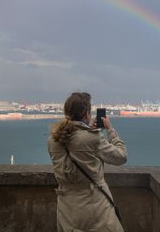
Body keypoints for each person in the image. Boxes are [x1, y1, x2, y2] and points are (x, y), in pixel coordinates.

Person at [48, 92, 127, 232]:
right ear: (87, 114)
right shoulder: (93, 138)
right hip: (94, 206)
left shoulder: (52, 140)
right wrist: (110, 130)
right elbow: (121, 157)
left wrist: (87, 129)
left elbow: (75, 144)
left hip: (67, 207)